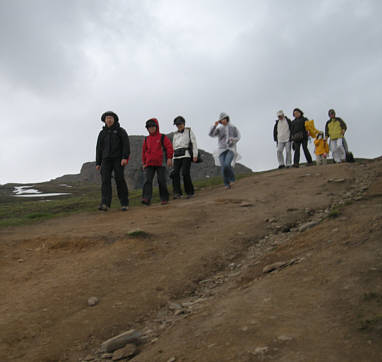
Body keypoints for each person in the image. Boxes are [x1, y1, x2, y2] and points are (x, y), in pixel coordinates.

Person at [96, 111, 130, 211]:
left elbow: (126, 145)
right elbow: (99, 148)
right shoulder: (102, 133)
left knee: (119, 179)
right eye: (107, 118)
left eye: (110, 118)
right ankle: (105, 204)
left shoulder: (120, 131)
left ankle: (124, 203)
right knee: (105, 180)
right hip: (106, 159)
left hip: (118, 159)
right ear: (104, 120)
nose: (109, 120)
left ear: (114, 119)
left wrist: (125, 157)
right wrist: (98, 162)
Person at [142, 118, 174, 205]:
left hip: (161, 163)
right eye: (149, 127)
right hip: (149, 163)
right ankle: (146, 199)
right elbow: (144, 151)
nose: (151, 128)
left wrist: (169, 158)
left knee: (161, 180)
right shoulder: (146, 139)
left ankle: (164, 199)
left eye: (153, 126)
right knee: (147, 181)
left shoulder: (162, 137)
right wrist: (144, 163)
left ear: (156, 127)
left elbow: (169, 147)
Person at [209, 112, 241, 189]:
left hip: (230, 149)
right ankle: (227, 184)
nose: (223, 120)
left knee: (227, 164)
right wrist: (214, 126)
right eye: (221, 120)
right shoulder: (219, 129)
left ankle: (232, 179)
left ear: (227, 119)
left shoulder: (233, 127)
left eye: (224, 119)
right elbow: (211, 134)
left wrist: (233, 140)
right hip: (221, 150)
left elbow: (238, 137)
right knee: (223, 167)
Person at [172, 116, 198, 199]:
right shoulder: (175, 134)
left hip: (186, 155)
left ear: (183, 123)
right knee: (175, 174)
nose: (178, 126)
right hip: (176, 156)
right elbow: (173, 146)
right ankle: (177, 193)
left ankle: (190, 192)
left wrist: (195, 155)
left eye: (180, 124)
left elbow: (194, 143)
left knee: (185, 173)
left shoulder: (189, 131)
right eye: (177, 124)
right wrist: (172, 158)